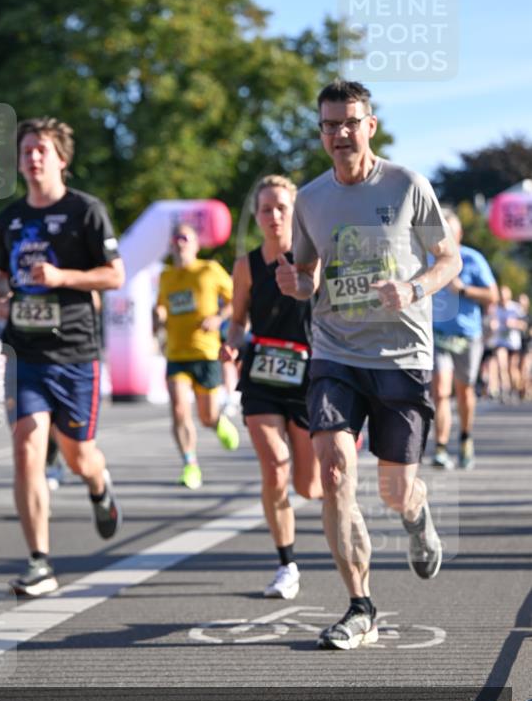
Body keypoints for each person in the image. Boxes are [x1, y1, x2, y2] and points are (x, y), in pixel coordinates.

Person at [276, 79, 461, 651]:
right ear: (321, 131)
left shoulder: (407, 185)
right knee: (333, 471)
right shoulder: (309, 199)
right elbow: (307, 276)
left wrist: (412, 289)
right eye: (330, 124)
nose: (341, 133)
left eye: (350, 122)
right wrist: (296, 283)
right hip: (335, 351)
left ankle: (416, 512)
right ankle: (360, 605)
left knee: (394, 489)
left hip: (401, 355)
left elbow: (447, 259)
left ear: (370, 125)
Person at [0, 117, 125, 597]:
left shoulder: (87, 211)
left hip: (76, 353)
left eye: (42, 149)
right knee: (26, 445)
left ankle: (98, 483)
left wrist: (62, 279)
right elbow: (4, 277)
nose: (33, 157)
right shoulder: (10, 218)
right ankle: (39, 561)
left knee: (77, 454)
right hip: (26, 352)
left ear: (61, 159)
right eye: (26, 150)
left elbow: (115, 275)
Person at [221, 175, 322, 599]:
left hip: (307, 376)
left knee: (309, 486)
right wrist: (230, 343)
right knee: (274, 467)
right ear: (257, 215)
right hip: (262, 375)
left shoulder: (311, 257)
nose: (274, 215)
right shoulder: (245, 265)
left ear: (295, 212)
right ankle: (287, 565)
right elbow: (239, 318)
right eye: (267, 209)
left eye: (282, 207)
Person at [154, 223, 239, 489]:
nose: (179, 242)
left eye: (185, 238)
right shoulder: (166, 277)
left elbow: (238, 299)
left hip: (205, 352)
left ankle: (217, 422)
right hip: (176, 353)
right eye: (175, 238)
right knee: (179, 410)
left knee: (206, 416)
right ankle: (190, 465)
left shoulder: (209, 270)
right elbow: (161, 309)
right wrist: (157, 317)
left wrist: (218, 318)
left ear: (196, 244)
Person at [431, 210, 497, 470]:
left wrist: (464, 290)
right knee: (440, 391)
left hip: (467, 337)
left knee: (464, 391)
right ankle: (440, 447)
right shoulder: (429, 259)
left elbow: (492, 295)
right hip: (437, 335)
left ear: (458, 234)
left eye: (449, 230)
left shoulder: (473, 259)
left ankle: (466, 437)